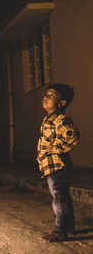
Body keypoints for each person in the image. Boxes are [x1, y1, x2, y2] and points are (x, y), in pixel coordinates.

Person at [37, 83, 80, 242]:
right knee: (64, 198)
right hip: (52, 166)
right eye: (46, 94)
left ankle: (60, 232)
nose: (46, 97)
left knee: (59, 200)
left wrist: (56, 148)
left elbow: (73, 135)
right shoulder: (50, 118)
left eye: (52, 95)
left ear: (61, 103)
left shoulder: (61, 119)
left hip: (58, 166)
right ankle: (69, 227)